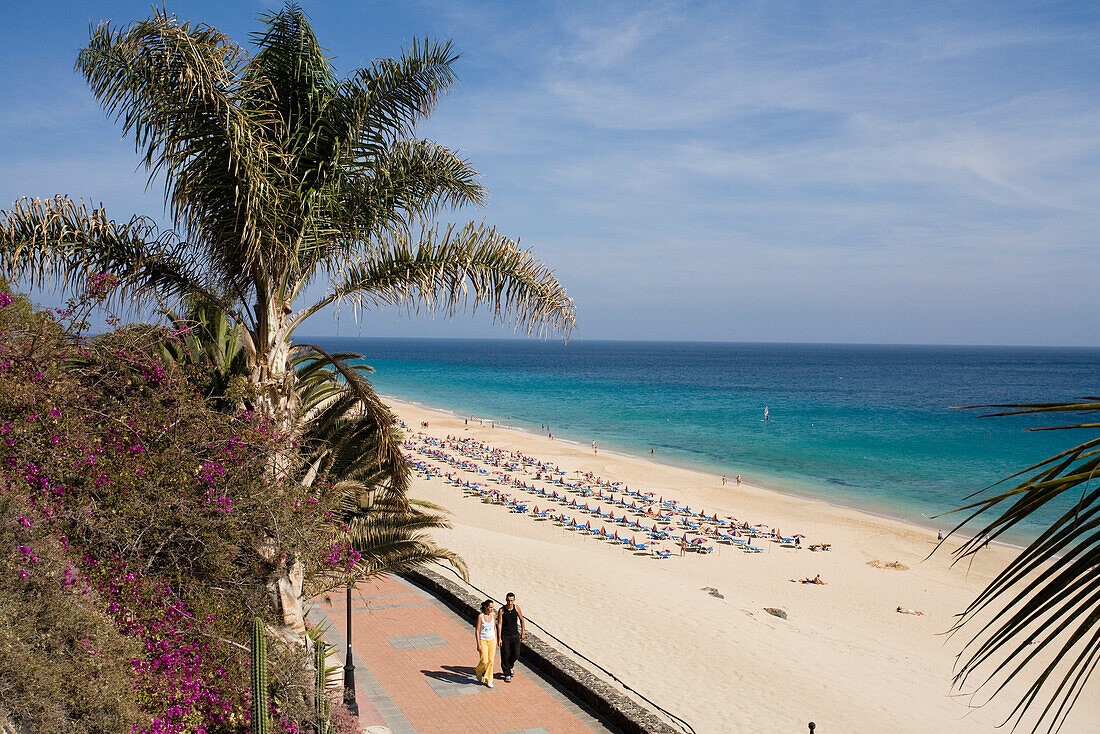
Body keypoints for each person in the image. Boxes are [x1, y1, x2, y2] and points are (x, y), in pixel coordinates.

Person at [497, 592, 526, 682]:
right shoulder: (502, 610)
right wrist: (499, 637)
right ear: (506, 600)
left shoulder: (517, 608)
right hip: (505, 635)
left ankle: (509, 666)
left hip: (515, 635)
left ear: (514, 600)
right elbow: (500, 624)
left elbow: (521, 619)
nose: (510, 602)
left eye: (511, 601)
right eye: (508, 600)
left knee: (516, 654)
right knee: (505, 654)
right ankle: (507, 673)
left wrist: (523, 632)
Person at [474, 599, 498, 687]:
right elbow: (477, 630)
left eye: (493, 607)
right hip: (483, 640)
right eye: (490, 607)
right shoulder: (481, 616)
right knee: (484, 660)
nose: (492, 609)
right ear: (486, 607)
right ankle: (478, 671)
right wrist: (478, 644)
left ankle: (489, 679)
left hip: (492, 640)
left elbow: (494, 628)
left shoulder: (493, 615)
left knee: (491, 660)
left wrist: (496, 639)